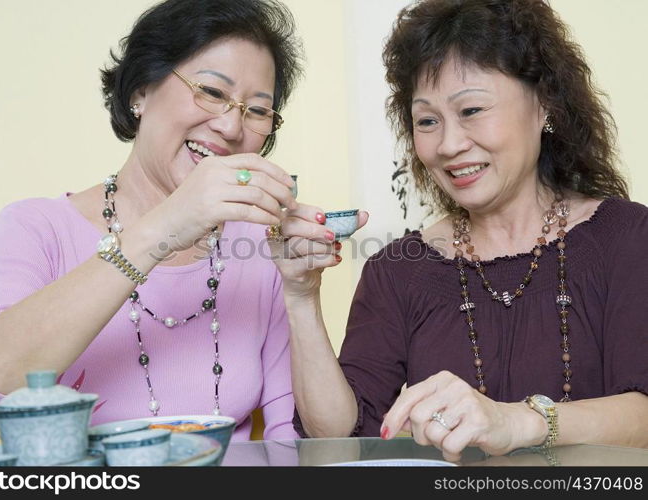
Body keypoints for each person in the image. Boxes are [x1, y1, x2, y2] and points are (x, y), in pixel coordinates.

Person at [271, 0, 648, 461]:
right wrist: (301, 297)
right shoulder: (398, 271)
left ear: (544, 103)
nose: (448, 145)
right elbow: (339, 436)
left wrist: (517, 421)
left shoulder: (627, 237)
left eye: (471, 110)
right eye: (427, 121)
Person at [0, 0, 304, 441]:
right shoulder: (36, 226)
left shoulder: (258, 243)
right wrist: (163, 227)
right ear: (140, 92)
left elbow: (287, 434)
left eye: (256, 110)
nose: (232, 127)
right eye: (213, 92)